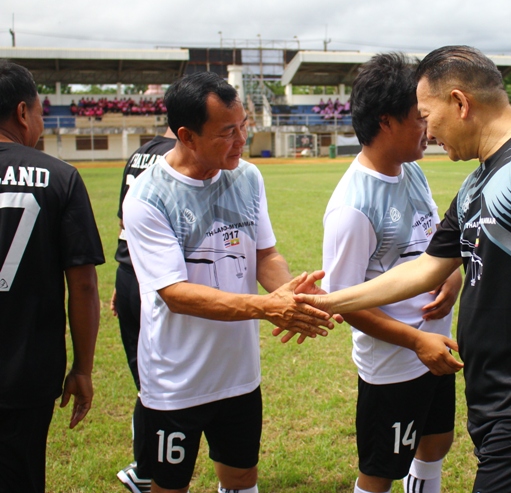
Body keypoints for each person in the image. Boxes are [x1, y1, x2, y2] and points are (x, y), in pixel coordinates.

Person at [296, 45, 511, 493]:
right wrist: (323, 302)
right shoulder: (478, 180)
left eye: (427, 114)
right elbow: (425, 269)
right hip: (496, 394)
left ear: (459, 103)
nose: (429, 130)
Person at [122, 72, 339, 493]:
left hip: (238, 375)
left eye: (243, 126)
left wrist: (291, 293)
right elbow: (175, 295)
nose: (242, 140)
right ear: (186, 136)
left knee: (241, 477)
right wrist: (268, 307)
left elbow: (265, 255)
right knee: (169, 485)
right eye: (227, 132)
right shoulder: (148, 198)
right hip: (176, 380)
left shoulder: (246, 177)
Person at [321, 52, 463, 493]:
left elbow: (435, 239)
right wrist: (416, 341)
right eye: (419, 116)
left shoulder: (412, 172)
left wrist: (452, 278)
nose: (429, 127)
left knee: (435, 444)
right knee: (382, 471)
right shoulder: (352, 207)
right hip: (394, 364)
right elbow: (344, 303)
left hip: (433, 348)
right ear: (386, 121)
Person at [0, 61, 104, 493]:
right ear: (23, 113)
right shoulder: (60, 177)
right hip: (26, 370)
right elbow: (83, 285)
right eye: (41, 112)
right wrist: (82, 367)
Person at [112, 129, 178, 493]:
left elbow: (126, 224)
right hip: (158, 281)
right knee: (160, 381)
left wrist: (123, 279)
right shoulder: (180, 156)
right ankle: (146, 467)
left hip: (129, 273)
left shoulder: (140, 153)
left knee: (147, 376)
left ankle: (144, 465)